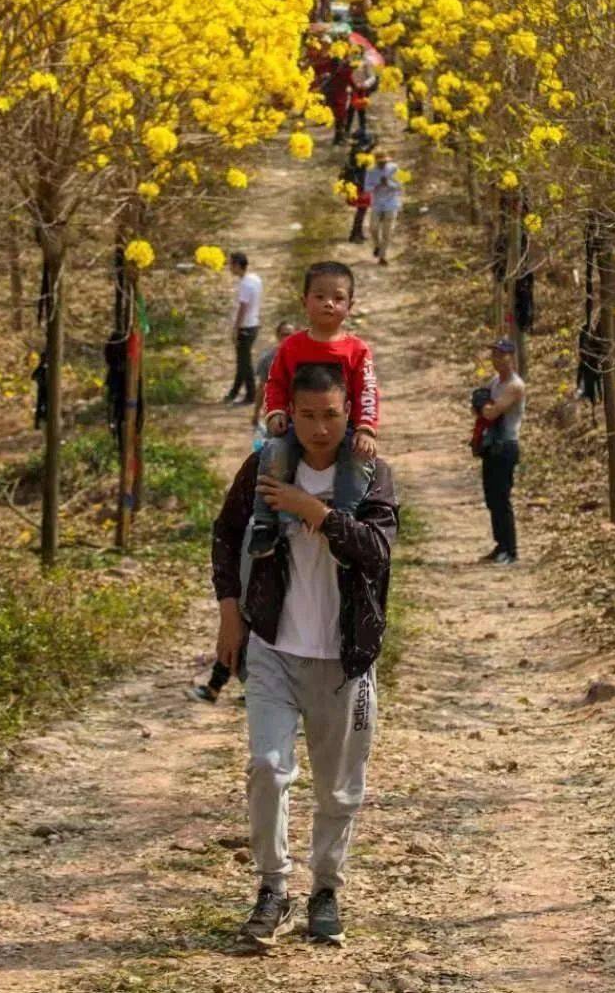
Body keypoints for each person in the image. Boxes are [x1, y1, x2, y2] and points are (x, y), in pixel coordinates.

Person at [212, 362, 399, 950]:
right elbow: (225, 532)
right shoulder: (267, 465)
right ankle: (272, 888)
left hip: (345, 657)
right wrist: (229, 612)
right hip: (273, 646)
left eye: (332, 416)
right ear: (289, 414)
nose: (320, 429)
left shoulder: (371, 475)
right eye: (308, 416)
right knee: (267, 767)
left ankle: (326, 890)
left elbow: (376, 552)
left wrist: (312, 510)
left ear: (351, 415)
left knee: (340, 786)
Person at [248, 261, 378, 558]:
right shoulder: (292, 347)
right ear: (304, 301)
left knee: (358, 461)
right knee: (274, 452)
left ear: (350, 304)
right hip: (296, 428)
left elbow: (368, 392)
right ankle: (265, 524)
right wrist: (276, 412)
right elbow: (276, 383)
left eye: (338, 298)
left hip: (345, 432)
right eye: (320, 296)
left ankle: (343, 524)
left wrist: (365, 428)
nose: (329, 304)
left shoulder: (357, 350)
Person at [477, 338, 526, 566]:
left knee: (502, 498)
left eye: (501, 354)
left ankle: (511, 548)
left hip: (506, 446)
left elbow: (491, 412)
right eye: (494, 354)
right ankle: (499, 545)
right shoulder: (495, 381)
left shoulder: (515, 386)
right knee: (492, 498)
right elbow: (481, 403)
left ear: (511, 357)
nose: (497, 359)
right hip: (491, 446)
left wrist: (484, 406)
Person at [223, 252, 263, 407]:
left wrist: (236, 328)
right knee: (241, 361)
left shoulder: (245, 284)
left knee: (245, 363)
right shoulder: (255, 279)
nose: (230, 268)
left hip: (245, 327)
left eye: (231, 264)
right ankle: (234, 392)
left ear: (238, 265)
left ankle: (251, 394)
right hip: (253, 324)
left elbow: (243, 307)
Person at [252, 320, 296, 432]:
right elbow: (262, 387)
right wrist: (256, 413)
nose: (287, 338)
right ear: (277, 336)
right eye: (284, 334)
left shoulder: (306, 357)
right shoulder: (268, 359)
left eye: (291, 334)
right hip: (277, 412)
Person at [365, 148, 403, 266]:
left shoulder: (394, 168)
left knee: (387, 232)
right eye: (380, 162)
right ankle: (377, 246)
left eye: (384, 162)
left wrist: (389, 184)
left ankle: (383, 256)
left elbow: (400, 185)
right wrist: (377, 184)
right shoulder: (371, 170)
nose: (382, 164)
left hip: (391, 203)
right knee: (373, 228)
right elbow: (367, 187)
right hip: (377, 203)